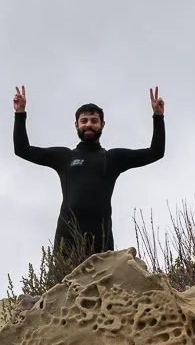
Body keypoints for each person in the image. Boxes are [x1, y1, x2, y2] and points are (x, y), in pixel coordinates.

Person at [13, 86, 166, 260]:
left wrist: (158, 116)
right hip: (67, 238)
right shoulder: (64, 157)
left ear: (102, 125)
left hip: (101, 239)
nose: (88, 125)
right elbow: (22, 150)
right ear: (76, 125)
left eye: (94, 121)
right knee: (65, 279)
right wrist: (20, 113)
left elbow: (155, 152)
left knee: (105, 279)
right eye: (84, 120)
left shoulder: (113, 158)